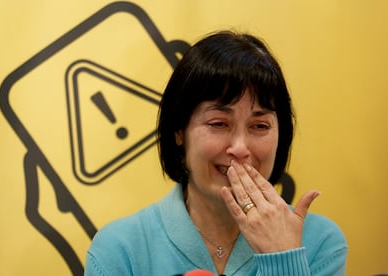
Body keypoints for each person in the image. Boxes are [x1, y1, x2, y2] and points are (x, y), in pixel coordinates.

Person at [84, 30, 348, 275]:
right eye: (219, 123)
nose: (240, 148)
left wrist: (283, 257)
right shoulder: (120, 248)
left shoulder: (320, 242)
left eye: (259, 126)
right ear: (179, 131)